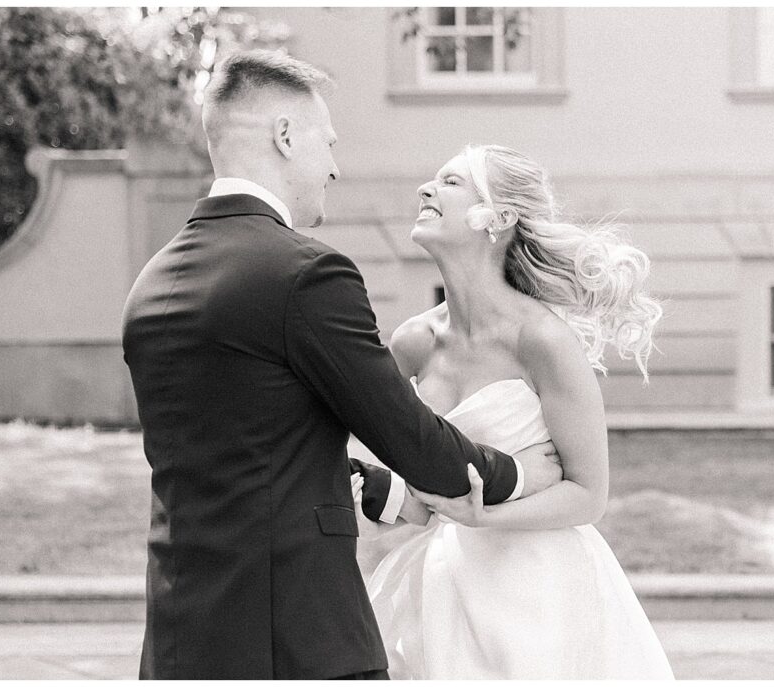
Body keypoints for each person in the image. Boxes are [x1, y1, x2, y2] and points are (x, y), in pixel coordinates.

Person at [120, 51, 561, 680]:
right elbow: (410, 438)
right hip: (296, 638)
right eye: (326, 143)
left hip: (180, 639)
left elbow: (253, 450)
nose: (334, 166)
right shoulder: (306, 275)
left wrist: (383, 493)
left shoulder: (153, 283)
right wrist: (518, 473)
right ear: (284, 136)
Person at [351, 144, 676, 679]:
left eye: (451, 183)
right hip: (439, 586)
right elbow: (384, 462)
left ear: (498, 219)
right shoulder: (413, 343)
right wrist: (413, 503)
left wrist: (488, 515)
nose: (426, 190)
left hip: (539, 594)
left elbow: (588, 494)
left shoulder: (543, 341)